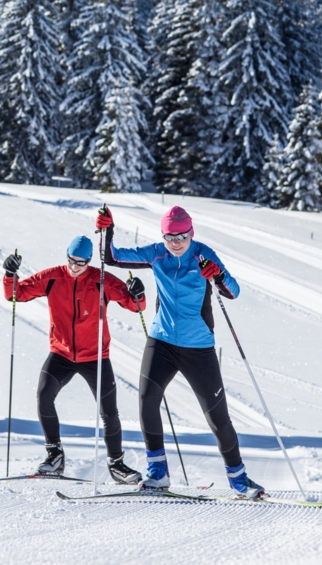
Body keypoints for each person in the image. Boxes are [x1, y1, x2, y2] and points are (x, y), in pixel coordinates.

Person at [96, 204, 265, 499]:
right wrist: (106, 231)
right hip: (161, 340)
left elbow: (233, 291)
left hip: (198, 347)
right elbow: (111, 257)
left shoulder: (203, 255)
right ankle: (158, 473)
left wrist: (218, 276)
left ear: (191, 234)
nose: (175, 243)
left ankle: (239, 479)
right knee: (147, 399)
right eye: (170, 237)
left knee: (217, 417)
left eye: (181, 237)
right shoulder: (157, 254)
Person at [2, 234, 145, 482]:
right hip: (62, 353)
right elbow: (16, 294)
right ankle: (54, 456)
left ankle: (117, 465)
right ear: (66, 256)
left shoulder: (101, 281)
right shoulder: (52, 277)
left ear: (89, 261)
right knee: (44, 395)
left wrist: (137, 293)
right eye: (72, 260)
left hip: (95, 356)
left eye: (82, 262)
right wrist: (9, 274)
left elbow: (135, 306)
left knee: (109, 412)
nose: (75, 266)